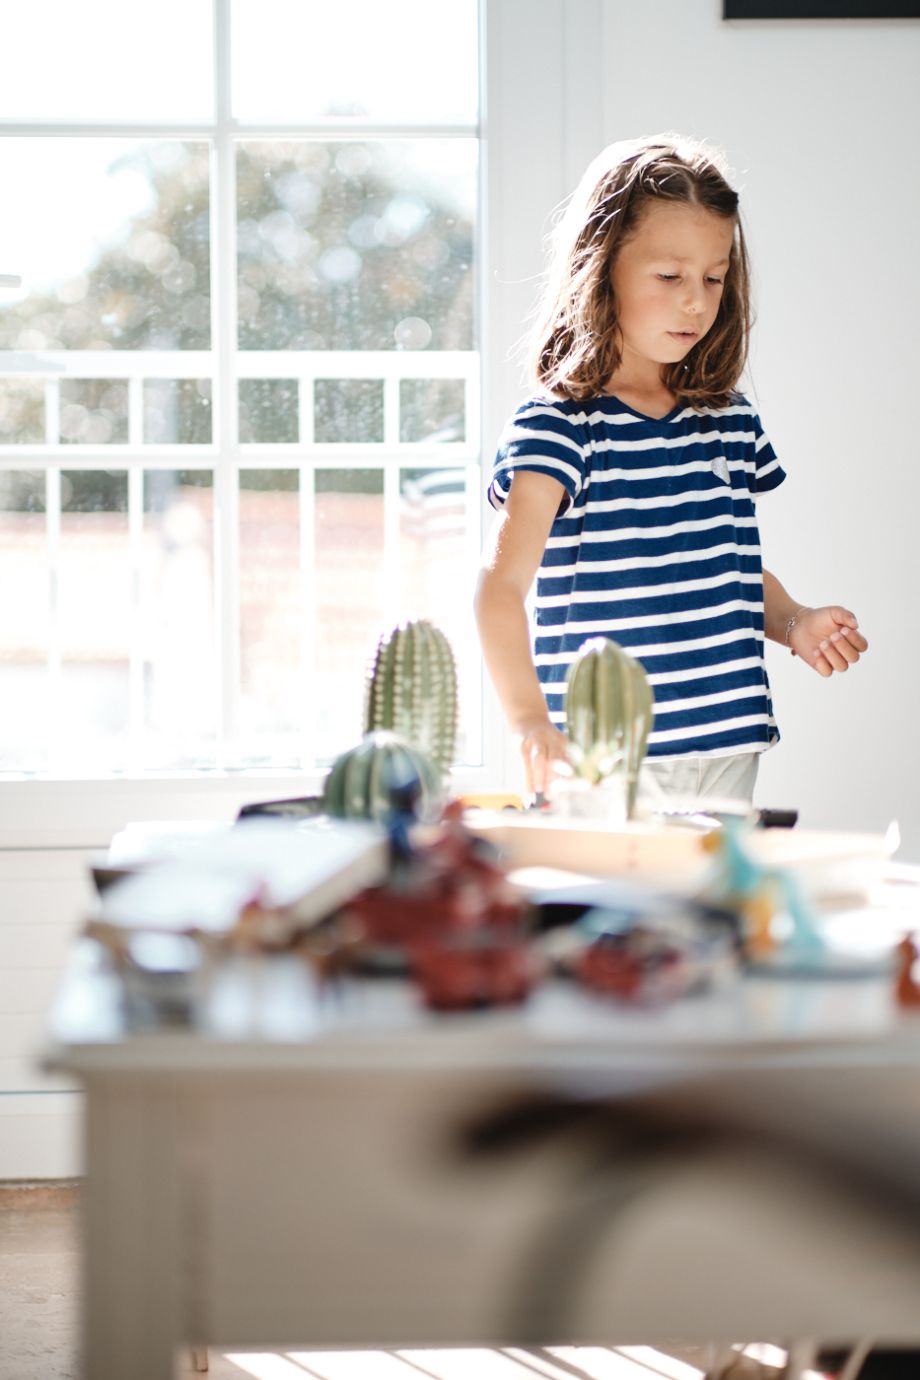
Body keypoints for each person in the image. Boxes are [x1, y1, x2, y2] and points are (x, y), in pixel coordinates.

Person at [474, 133, 869, 808]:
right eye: (669, 277)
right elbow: (499, 589)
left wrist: (794, 621)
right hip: (602, 758)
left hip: (728, 740)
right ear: (601, 271)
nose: (695, 301)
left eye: (713, 278)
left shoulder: (729, 420)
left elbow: (725, 568)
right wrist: (531, 723)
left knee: (712, 914)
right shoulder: (560, 427)